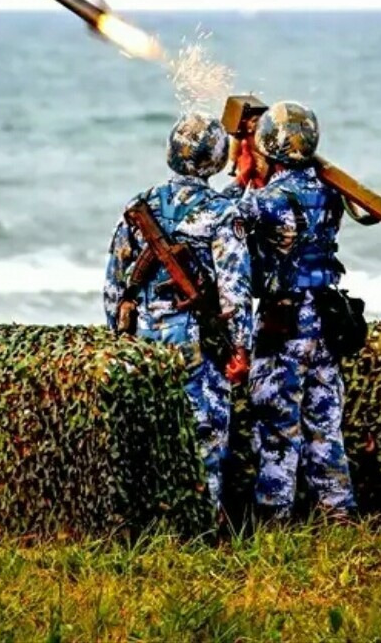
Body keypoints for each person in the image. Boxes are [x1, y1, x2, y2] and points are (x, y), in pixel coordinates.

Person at [103, 111, 253, 510]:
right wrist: (241, 348)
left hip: (142, 345)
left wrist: (120, 339)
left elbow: (114, 285)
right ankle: (202, 523)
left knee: (148, 432)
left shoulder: (141, 205)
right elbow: (235, 290)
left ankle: (149, 520)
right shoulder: (222, 214)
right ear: (215, 160)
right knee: (205, 435)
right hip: (196, 344)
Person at [233, 101, 357, 521]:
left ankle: (274, 520)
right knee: (325, 423)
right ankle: (338, 514)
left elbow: (221, 219)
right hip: (325, 317)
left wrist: (241, 173)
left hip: (283, 322)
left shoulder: (268, 200)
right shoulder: (332, 189)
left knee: (277, 425)